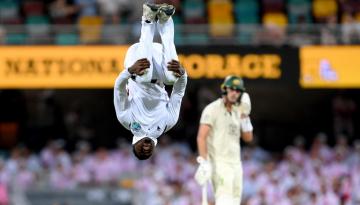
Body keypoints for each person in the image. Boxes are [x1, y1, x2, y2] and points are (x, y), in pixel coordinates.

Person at [113, 3, 187, 160]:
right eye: (148, 153)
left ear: (134, 144)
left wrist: (129, 71)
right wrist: (183, 74)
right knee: (172, 78)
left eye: (141, 152)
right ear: (154, 148)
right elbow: (178, 93)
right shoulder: (167, 123)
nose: (145, 150)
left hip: (137, 61)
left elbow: (118, 89)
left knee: (144, 75)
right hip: (160, 65)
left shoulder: (126, 120)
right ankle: (165, 20)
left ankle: (148, 18)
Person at [195, 76, 253, 204]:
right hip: (219, 162)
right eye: (232, 89)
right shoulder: (212, 109)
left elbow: (248, 138)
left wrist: (245, 116)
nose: (234, 93)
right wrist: (204, 162)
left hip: (236, 163)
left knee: (235, 201)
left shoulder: (239, 111)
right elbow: (201, 137)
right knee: (224, 200)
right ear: (225, 89)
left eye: (238, 90)